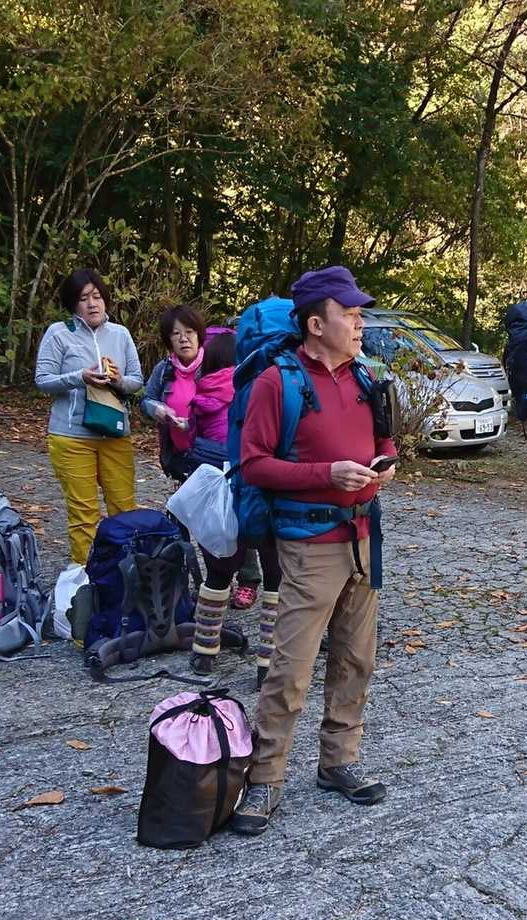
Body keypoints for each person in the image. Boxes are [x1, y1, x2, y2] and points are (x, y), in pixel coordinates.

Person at [229, 265, 397, 837]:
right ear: (315, 324)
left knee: (356, 658)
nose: (359, 322)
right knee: (291, 668)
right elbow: (254, 464)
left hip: (363, 538)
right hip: (308, 545)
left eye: (359, 313)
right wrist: (328, 474)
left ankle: (338, 762)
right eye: (348, 314)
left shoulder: (365, 376)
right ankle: (265, 777)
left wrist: (385, 462)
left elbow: (383, 437)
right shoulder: (277, 383)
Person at [142, 305, 261, 609]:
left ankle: (247, 579)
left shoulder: (215, 362)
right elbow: (147, 398)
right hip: (184, 456)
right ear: (168, 340)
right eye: (175, 334)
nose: (183, 339)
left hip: (220, 454)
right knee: (201, 518)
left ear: (200, 334)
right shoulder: (164, 370)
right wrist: (157, 410)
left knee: (232, 516)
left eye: (189, 332)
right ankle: (212, 581)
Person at [182, 333, 284, 679]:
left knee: (219, 574)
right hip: (267, 491)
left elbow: (187, 437)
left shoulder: (203, 393)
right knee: (275, 578)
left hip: (223, 491)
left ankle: (204, 652)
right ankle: (267, 662)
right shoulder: (274, 385)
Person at [35, 269, 144, 564]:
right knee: (84, 513)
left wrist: (118, 380)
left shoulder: (120, 334)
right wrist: (79, 377)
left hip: (115, 433)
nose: (92, 304)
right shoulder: (59, 333)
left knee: (124, 508)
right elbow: (43, 380)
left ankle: (124, 570)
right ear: (74, 304)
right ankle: (86, 574)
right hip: (71, 436)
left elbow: (137, 381)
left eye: (96, 296)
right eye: (84, 298)